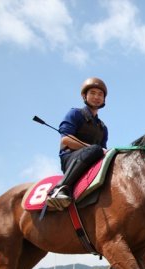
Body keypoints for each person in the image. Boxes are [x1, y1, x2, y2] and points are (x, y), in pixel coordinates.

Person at [47, 77, 109, 210]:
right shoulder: (75, 113)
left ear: (104, 99)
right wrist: (92, 148)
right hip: (71, 159)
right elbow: (66, 140)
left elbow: (104, 151)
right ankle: (60, 189)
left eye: (100, 94)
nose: (96, 97)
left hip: (93, 161)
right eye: (92, 93)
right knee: (96, 150)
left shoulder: (103, 128)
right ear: (84, 95)